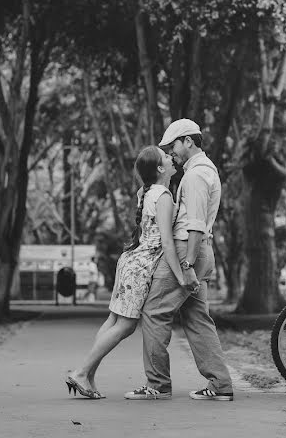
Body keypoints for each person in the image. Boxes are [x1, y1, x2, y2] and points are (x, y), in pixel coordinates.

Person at [124, 118, 234, 401]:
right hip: (199, 251)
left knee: (154, 311)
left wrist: (186, 265)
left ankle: (158, 385)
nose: (171, 152)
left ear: (188, 141)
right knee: (197, 318)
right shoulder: (202, 170)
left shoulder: (196, 175)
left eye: (173, 145)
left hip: (189, 249)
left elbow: (195, 224)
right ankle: (220, 384)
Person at [65, 145, 177, 399]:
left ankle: (88, 375)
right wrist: (181, 275)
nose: (172, 158)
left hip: (129, 261)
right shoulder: (163, 196)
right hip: (140, 266)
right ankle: (81, 372)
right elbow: (167, 242)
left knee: (114, 321)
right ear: (160, 168)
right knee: (125, 326)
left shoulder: (146, 191)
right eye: (167, 157)